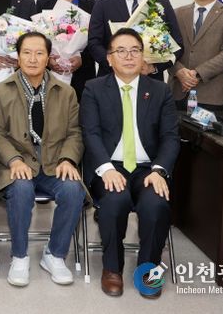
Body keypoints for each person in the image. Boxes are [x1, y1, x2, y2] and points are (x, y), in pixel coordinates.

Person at [80, 28, 179, 299]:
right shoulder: (94, 88)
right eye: (121, 51)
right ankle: (112, 268)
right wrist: (106, 168)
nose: (128, 56)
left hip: (148, 169)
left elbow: (170, 137)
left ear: (143, 56)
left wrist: (159, 170)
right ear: (109, 58)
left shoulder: (159, 90)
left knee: (155, 204)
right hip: (110, 166)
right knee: (114, 201)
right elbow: (90, 134)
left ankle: (148, 270)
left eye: (135, 50)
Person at [0, 31, 87, 287]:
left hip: (54, 162)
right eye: (26, 53)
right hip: (17, 163)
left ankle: (54, 254)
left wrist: (68, 159)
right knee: (21, 189)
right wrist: (13, 160)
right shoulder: (0, 91)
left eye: (39, 53)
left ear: (48, 58)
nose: (33, 59)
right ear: (18, 57)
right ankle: (19, 256)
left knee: (73, 189)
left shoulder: (66, 92)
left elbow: (75, 133)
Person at [35, 0, 97, 101]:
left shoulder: (93, 5)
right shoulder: (42, 4)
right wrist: (48, 59)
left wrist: (81, 59)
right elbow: (36, 39)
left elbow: (96, 40)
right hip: (49, 75)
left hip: (83, 76)